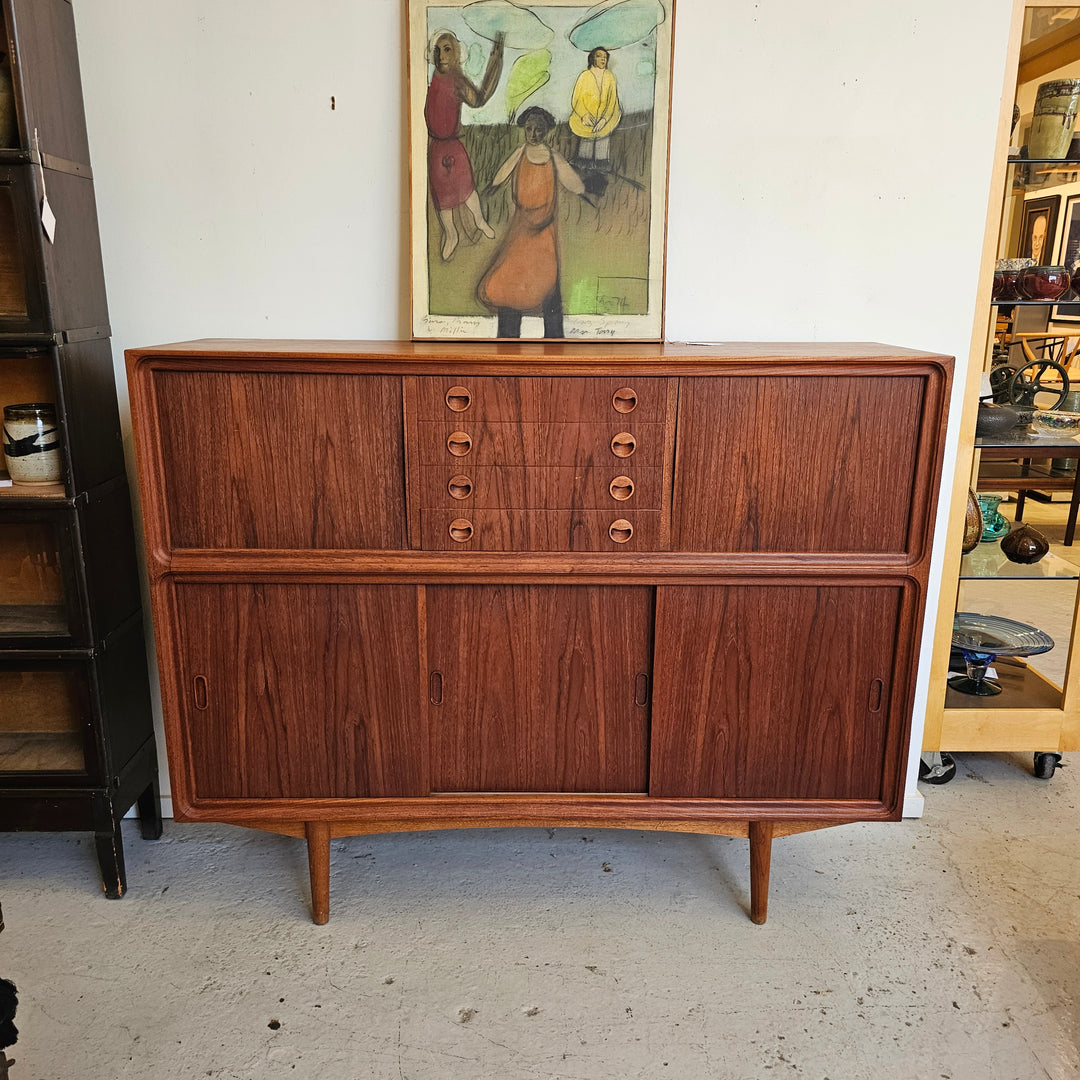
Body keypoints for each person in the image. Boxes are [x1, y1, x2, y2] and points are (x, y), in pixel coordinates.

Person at [478, 106, 586, 338]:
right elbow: (503, 172)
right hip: (522, 228)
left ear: (546, 131)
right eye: (529, 129)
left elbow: (572, 181)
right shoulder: (520, 153)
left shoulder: (553, 156)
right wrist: (491, 188)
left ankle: (554, 340)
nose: (534, 134)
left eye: (539, 129)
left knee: (547, 282)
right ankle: (507, 338)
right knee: (511, 278)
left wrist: (585, 190)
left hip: (545, 230)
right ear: (524, 130)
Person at [425, 30, 504, 261]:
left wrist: (495, 59)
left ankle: (480, 221)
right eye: (437, 50)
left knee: (467, 189)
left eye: (447, 49)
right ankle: (451, 234)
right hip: (436, 148)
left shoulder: (458, 80)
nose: (441, 55)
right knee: (442, 197)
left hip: (453, 145)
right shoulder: (431, 79)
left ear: (457, 53)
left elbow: (479, 99)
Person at [568, 47, 620, 173]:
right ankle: (583, 167)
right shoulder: (584, 76)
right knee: (586, 145)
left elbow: (612, 100)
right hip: (586, 118)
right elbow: (577, 98)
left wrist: (604, 119)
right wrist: (584, 115)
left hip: (606, 118)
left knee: (602, 143)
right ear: (592, 58)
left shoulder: (610, 77)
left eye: (605, 57)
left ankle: (601, 167)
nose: (603, 59)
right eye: (599, 56)